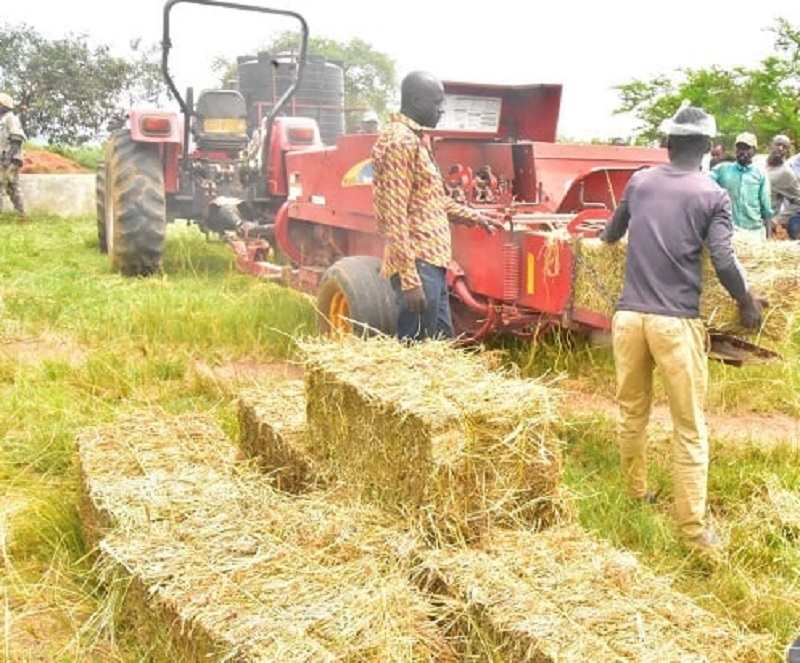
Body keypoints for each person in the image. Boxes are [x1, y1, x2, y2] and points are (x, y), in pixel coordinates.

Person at [599, 105, 764, 551]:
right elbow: (725, 260)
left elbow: (610, 236)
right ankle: (692, 531)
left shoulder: (639, 181)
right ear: (709, 149)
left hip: (629, 318)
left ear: (668, 144)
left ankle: (637, 493)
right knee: (689, 425)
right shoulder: (713, 195)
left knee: (632, 410)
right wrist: (745, 301)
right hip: (675, 323)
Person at [371, 70, 502, 341]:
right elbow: (395, 214)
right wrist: (409, 279)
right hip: (419, 265)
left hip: (433, 263)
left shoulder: (415, 139)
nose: (442, 110)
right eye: (437, 102)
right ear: (417, 100)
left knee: (440, 347)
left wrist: (475, 216)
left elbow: (431, 200)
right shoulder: (400, 141)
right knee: (416, 351)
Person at [710, 132, 773, 240]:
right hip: (729, 232)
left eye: (747, 148)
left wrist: (768, 237)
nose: (742, 152)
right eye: (739, 148)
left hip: (754, 232)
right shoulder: (722, 170)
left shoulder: (760, 174)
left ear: (754, 151)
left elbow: (766, 208)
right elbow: (703, 184)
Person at [764, 134, 800, 240]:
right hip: (744, 221)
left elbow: (798, 201)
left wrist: (777, 220)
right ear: (770, 145)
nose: (780, 149)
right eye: (778, 144)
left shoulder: (786, 173)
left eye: (784, 147)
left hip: (764, 225)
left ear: (787, 151)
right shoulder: (757, 162)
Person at [0, 92, 27, 220]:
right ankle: (22, 214)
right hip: (5, 158)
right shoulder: (2, 119)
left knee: (3, 184)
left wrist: (8, 158)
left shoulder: (11, 119)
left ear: (4, 106)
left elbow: (17, 139)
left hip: (11, 158)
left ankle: (21, 214)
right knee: (12, 187)